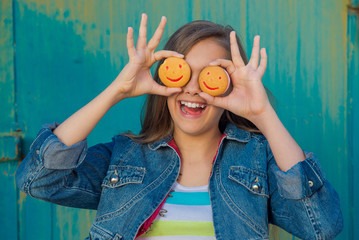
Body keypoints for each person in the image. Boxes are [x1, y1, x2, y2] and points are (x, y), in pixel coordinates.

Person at [16, 14, 343, 240]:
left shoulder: (255, 162)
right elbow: (39, 180)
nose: (193, 89)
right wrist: (117, 90)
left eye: (209, 77)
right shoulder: (125, 157)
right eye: (183, 71)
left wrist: (263, 113)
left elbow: (321, 228)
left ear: (229, 88)